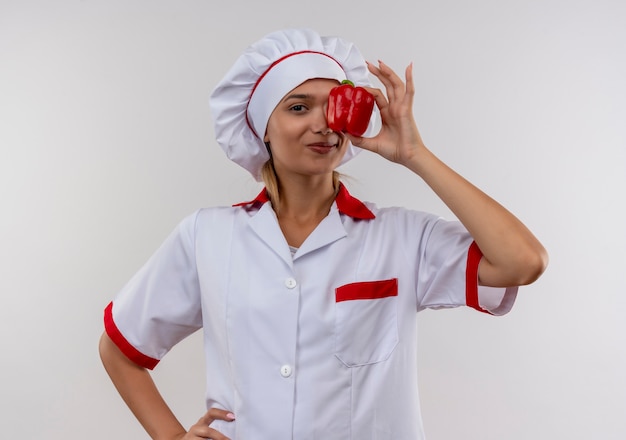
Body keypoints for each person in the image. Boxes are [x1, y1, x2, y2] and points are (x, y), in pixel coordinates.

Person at [99, 28, 548, 439]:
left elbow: (523, 261)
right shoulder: (206, 236)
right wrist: (173, 437)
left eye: (334, 106)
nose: (324, 124)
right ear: (261, 129)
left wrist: (414, 154)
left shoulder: (402, 236)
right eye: (298, 107)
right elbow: (121, 347)